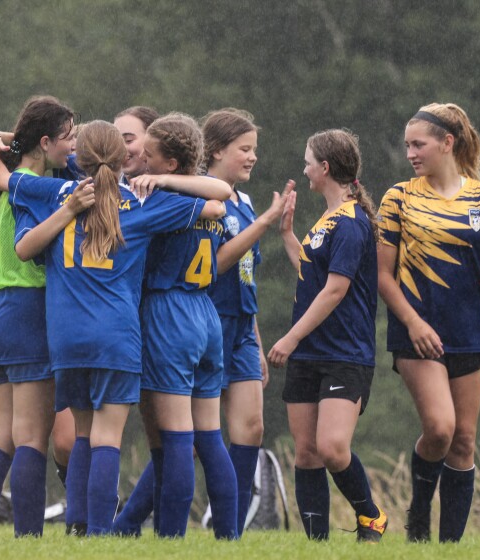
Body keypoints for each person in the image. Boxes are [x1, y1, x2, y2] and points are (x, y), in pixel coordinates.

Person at [0, 119, 226, 536]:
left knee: (81, 434)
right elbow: (218, 201)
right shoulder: (141, 202)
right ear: (122, 160)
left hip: (65, 337)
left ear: (78, 158)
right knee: (106, 438)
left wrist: (6, 140)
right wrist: (163, 179)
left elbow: (2, 178)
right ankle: (100, 531)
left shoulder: (58, 193)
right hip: (116, 338)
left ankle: (78, 526)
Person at [377, 103, 480, 543]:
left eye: (418, 144)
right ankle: (418, 517)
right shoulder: (397, 198)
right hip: (416, 333)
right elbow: (382, 275)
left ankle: (449, 548)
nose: (411, 153)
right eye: (407, 146)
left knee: (463, 441)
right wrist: (413, 324)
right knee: (440, 428)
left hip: (469, 332)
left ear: (447, 143)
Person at [0, 95, 88, 537]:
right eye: (69, 136)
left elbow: (11, 142)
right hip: (28, 309)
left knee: (1, 436)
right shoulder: (29, 187)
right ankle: (29, 539)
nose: (75, 145)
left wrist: (21, 137)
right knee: (32, 437)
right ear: (46, 140)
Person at [113, 113, 237, 539]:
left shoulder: (161, 197)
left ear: (169, 165)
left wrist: (161, 186)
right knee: (209, 436)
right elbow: (221, 197)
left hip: (169, 312)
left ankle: (170, 539)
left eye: (148, 154)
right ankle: (229, 538)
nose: (139, 160)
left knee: (175, 438)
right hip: (206, 314)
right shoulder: (201, 196)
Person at [267, 129, 387, 542]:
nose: (303, 169)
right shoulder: (327, 218)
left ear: (325, 168)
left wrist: (290, 338)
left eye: (308, 162)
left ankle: (371, 517)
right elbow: (312, 274)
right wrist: (287, 234)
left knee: (333, 447)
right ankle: (317, 544)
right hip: (309, 354)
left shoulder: (353, 222)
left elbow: (335, 290)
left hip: (343, 353)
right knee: (306, 452)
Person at [202, 108, 284, 535]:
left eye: (254, 149)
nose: (253, 157)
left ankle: (229, 530)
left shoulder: (245, 201)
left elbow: (247, 273)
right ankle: (136, 517)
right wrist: (267, 223)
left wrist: (255, 333)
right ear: (216, 151)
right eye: (244, 149)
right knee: (194, 439)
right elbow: (216, 265)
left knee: (251, 428)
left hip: (242, 329)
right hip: (209, 323)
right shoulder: (205, 200)